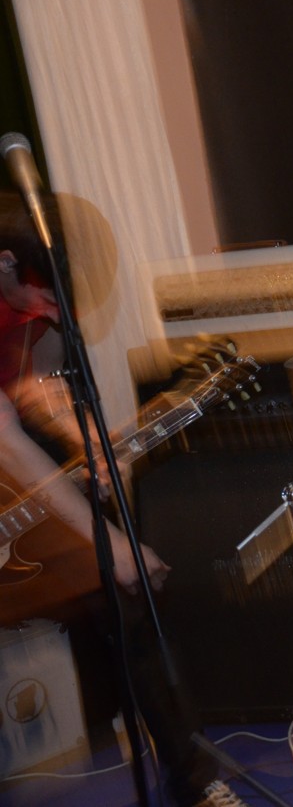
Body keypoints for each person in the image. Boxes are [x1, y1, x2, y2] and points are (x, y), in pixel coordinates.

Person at [0, 211, 247, 807]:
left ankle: (195, 781)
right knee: (117, 557)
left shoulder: (29, 300)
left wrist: (86, 438)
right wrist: (109, 545)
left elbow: (35, 387)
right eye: (47, 297)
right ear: (4, 263)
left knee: (129, 600)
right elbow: (3, 440)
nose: (56, 313)